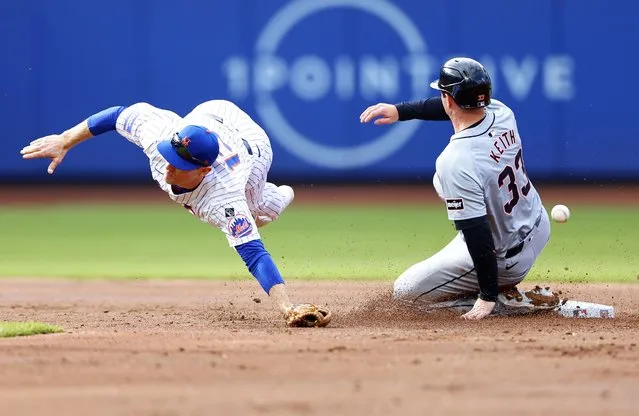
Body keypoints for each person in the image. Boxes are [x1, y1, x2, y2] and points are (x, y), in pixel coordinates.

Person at [21, 99, 331, 327]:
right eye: (170, 155)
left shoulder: (226, 195)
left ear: (204, 170)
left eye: (180, 164)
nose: (169, 164)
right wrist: (65, 140)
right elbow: (116, 116)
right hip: (212, 114)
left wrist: (287, 307)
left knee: (258, 212)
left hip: (250, 148)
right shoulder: (159, 135)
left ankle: (278, 196)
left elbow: (254, 254)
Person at [359, 57, 558, 320]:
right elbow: (458, 107)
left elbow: (478, 235)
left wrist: (487, 296)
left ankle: (502, 301)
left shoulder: (456, 161)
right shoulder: (502, 113)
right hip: (537, 224)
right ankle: (496, 290)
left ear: (449, 99)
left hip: (503, 258)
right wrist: (401, 111)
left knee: (405, 294)